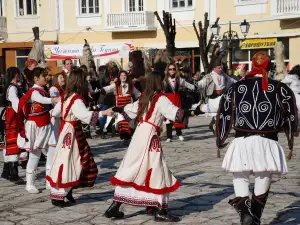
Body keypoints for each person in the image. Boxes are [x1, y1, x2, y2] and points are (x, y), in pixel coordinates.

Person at [104, 70, 203, 222]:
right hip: (150, 136)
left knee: (132, 168)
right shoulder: (160, 98)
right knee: (158, 170)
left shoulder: (145, 96)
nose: (164, 82)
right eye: (163, 80)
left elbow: (128, 110)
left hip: (139, 135)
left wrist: (117, 109)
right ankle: (160, 210)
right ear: (159, 82)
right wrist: (195, 111)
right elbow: (175, 113)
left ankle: (116, 206)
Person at [216, 52, 298, 225]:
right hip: (267, 140)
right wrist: (289, 130)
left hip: (242, 141)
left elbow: (220, 108)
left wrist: (197, 111)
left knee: (240, 177)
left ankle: (245, 211)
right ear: (270, 67)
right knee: (264, 175)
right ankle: (255, 217)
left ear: (252, 65)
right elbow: (293, 111)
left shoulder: (236, 87)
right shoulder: (280, 88)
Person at [46, 69, 110, 207]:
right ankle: (59, 195)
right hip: (73, 133)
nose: (87, 83)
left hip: (67, 131)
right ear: (80, 82)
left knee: (70, 160)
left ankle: (67, 190)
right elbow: (85, 116)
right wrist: (104, 112)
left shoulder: (66, 96)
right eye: (85, 81)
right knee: (73, 161)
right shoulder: (76, 99)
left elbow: (56, 112)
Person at [18, 67, 59, 194]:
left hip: (46, 124)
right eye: (43, 76)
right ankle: (29, 184)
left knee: (52, 150)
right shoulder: (34, 91)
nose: (46, 78)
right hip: (36, 126)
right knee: (35, 154)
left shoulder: (43, 90)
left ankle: (49, 181)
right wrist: (53, 100)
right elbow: (40, 100)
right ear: (36, 79)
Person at [101, 70, 140, 145]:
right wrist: (103, 90)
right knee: (121, 123)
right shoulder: (116, 85)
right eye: (121, 75)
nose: (123, 77)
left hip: (129, 109)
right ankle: (126, 138)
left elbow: (137, 94)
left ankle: (128, 138)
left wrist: (143, 97)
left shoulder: (131, 85)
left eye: (124, 75)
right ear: (119, 77)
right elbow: (108, 88)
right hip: (119, 109)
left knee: (130, 124)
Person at [0, 67, 25, 184]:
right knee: (13, 142)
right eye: (18, 74)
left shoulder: (12, 87)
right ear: (15, 75)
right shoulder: (12, 88)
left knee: (8, 143)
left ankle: (6, 171)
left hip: (9, 115)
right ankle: (13, 173)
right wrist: (23, 112)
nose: (20, 76)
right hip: (12, 116)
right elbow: (16, 103)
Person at [197, 63, 234, 134]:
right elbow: (199, 85)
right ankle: (216, 129)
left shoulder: (224, 75)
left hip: (222, 95)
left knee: (220, 113)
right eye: (219, 68)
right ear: (214, 68)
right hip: (213, 96)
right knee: (217, 113)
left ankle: (213, 126)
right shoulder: (208, 76)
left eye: (221, 68)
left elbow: (231, 81)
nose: (221, 69)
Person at [164, 63, 195, 142]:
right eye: (170, 69)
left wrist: (195, 86)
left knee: (178, 116)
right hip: (168, 100)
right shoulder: (164, 80)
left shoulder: (179, 79)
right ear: (168, 70)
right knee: (168, 118)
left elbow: (187, 84)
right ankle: (169, 136)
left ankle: (179, 134)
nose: (172, 71)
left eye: (174, 69)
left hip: (177, 100)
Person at [46, 72, 67, 189]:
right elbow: (55, 101)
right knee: (52, 148)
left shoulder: (64, 89)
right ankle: (48, 178)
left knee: (57, 148)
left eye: (63, 77)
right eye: (60, 77)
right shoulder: (54, 88)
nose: (63, 78)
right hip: (55, 119)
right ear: (55, 79)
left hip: (60, 120)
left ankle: (55, 176)